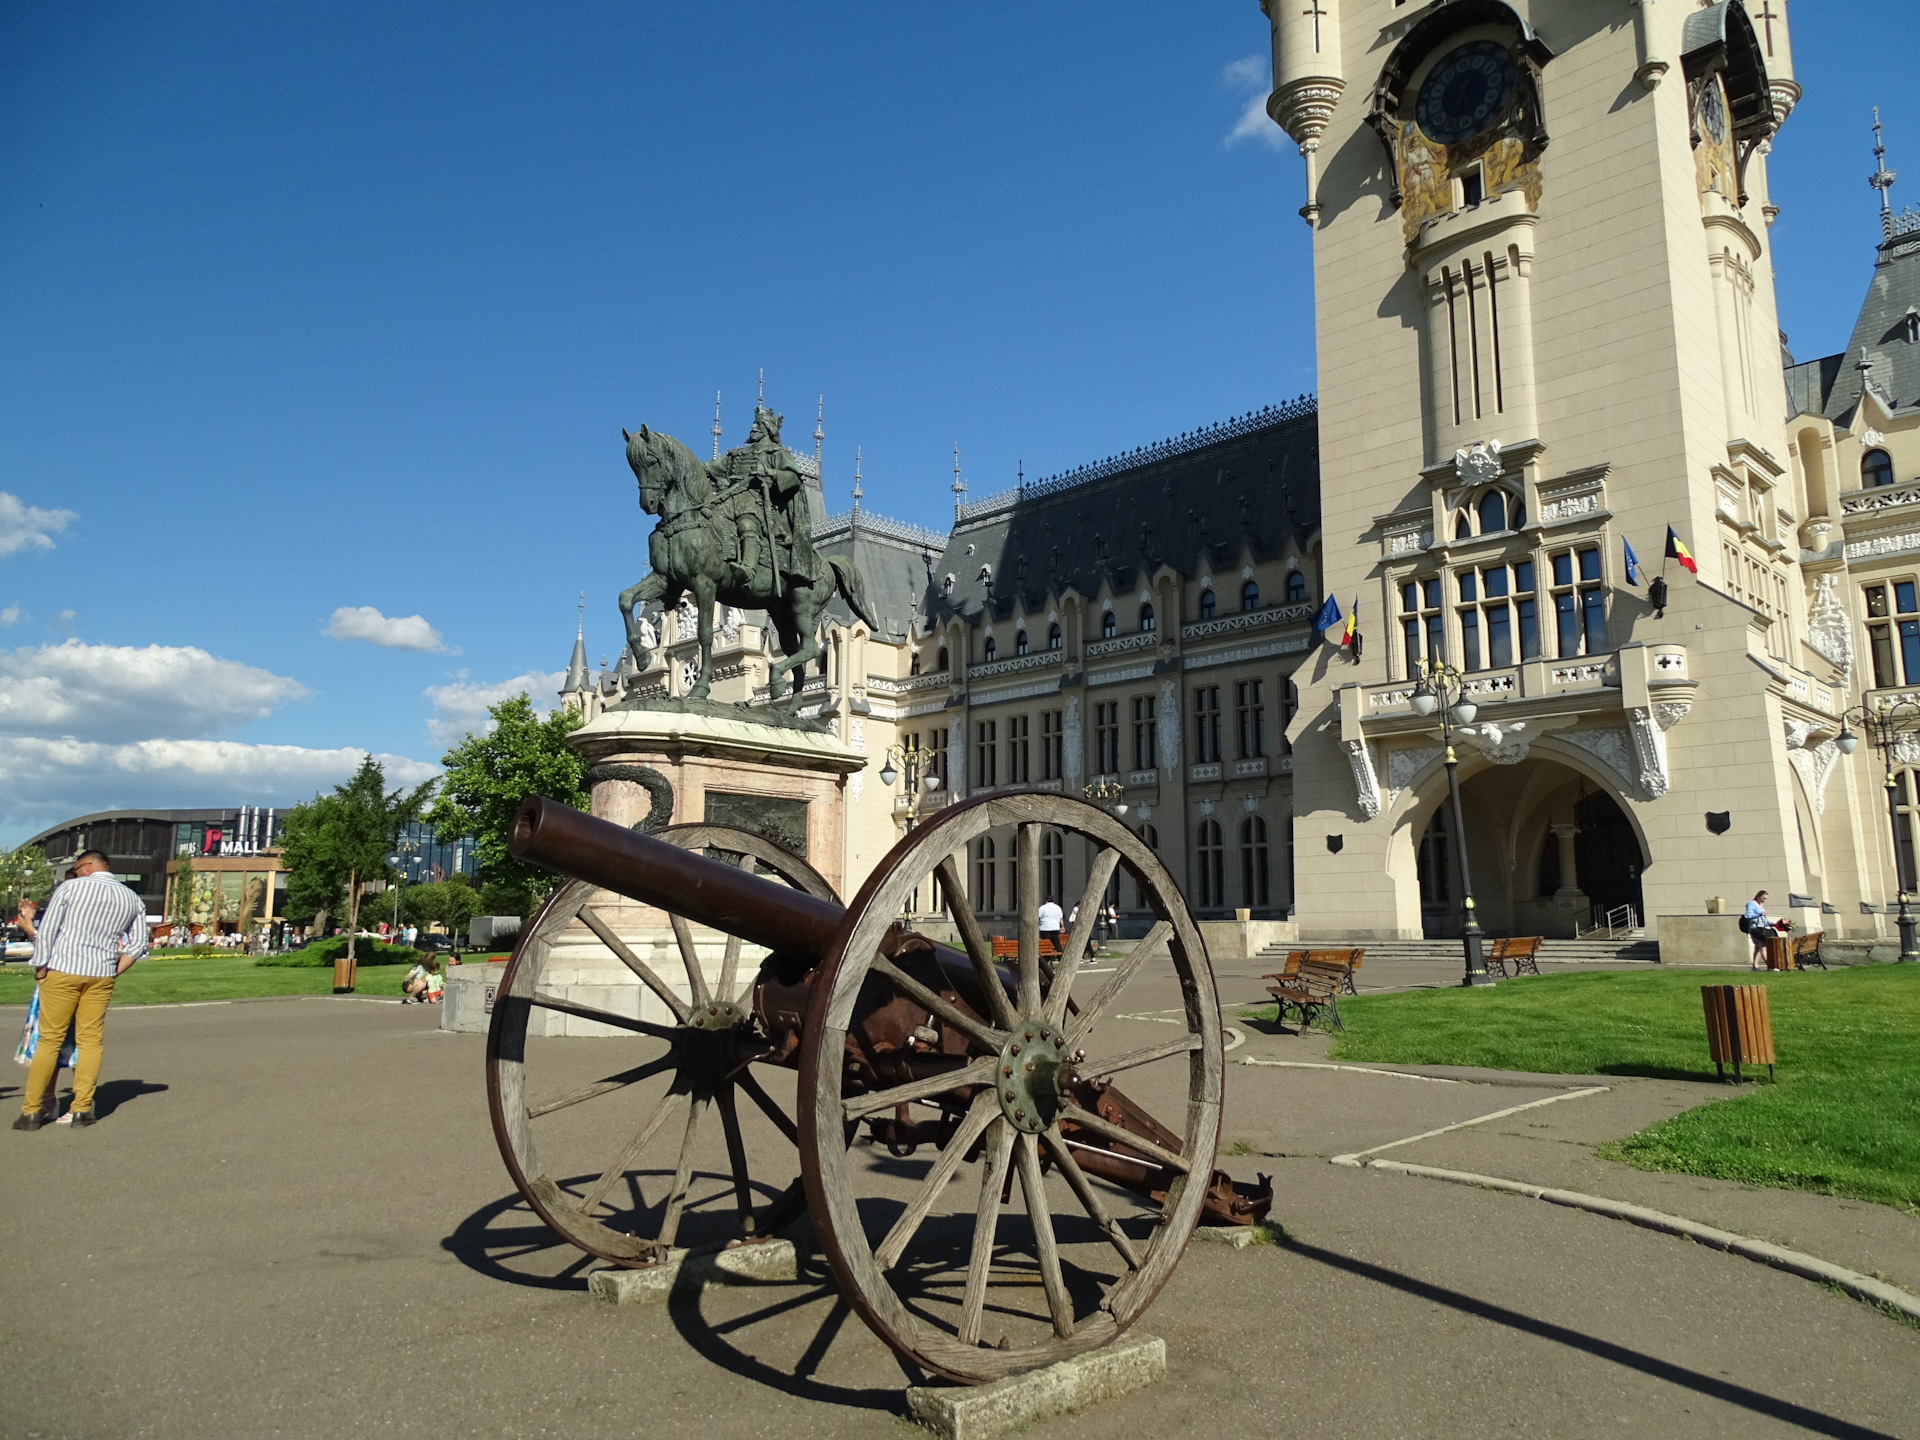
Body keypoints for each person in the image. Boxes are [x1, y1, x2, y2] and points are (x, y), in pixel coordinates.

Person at [15, 850, 148, 1131]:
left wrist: (40, 966)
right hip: (100, 973)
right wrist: (115, 969)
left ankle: (31, 1111)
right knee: (90, 1041)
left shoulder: (71, 888)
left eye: (75, 869)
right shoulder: (131, 897)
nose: (75, 873)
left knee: (50, 1040)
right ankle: (82, 1108)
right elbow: (138, 943)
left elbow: (48, 930)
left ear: (86, 866)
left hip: (63, 968)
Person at [1744, 890, 1772, 970]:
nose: (1764, 900)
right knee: (1762, 947)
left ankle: (1755, 966)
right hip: (1755, 928)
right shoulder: (1751, 904)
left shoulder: (1761, 905)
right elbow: (1748, 915)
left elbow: (1762, 919)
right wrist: (1758, 914)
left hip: (1761, 927)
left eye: (1766, 899)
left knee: (1758, 948)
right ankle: (1770, 966)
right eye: (1763, 898)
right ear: (1759, 896)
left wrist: (1771, 923)